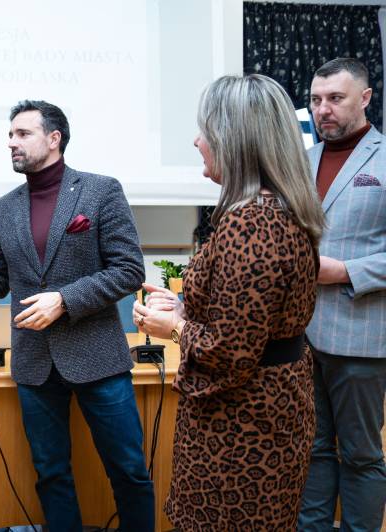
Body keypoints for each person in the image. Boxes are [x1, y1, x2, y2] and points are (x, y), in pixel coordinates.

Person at [0, 100, 154, 531]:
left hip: (98, 359)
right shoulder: (4, 207)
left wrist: (64, 300)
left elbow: (129, 270)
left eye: (22, 134)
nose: (11, 142)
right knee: (51, 475)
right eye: (10, 135)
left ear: (54, 139)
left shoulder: (100, 191)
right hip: (35, 364)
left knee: (128, 471)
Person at [134, 74, 325, 531]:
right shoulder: (280, 209)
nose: (197, 141)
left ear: (234, 140)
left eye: (205, 131)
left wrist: (173, 328)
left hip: (241, 430)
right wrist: (185, 307)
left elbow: (231, 351)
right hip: (270, 411)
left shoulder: (252, 222)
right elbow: (254, 317)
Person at [297, 57, 386, 532]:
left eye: (335, 98)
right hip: (301, 336)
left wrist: (346, 271)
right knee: (312, 450)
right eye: (316, 100)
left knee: (360, 455)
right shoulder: (301, 161)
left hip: (361, 339)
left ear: (365, 98)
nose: (323, 110)